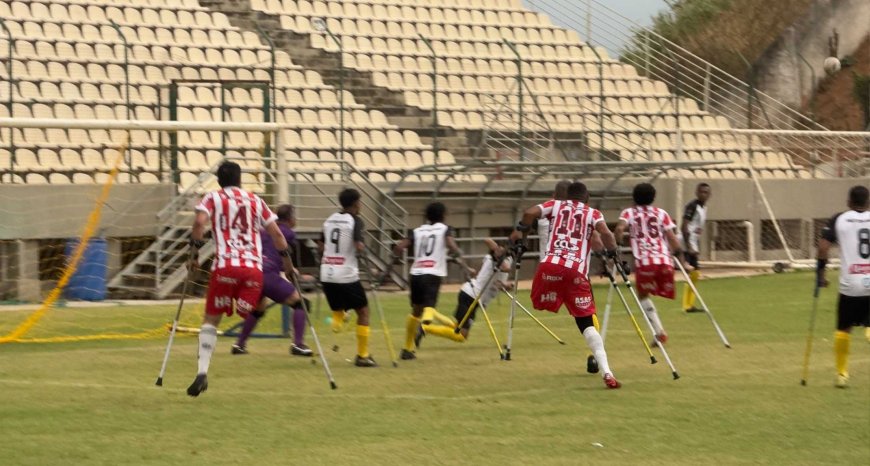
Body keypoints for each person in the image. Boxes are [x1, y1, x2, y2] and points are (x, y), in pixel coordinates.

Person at [186, 161, 291, 397]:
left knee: (211, 320)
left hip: (225, 267)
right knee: (257, 307)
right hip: (253, 270)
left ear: (219, 181)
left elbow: (199, 223)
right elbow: (276, 234)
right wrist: (288, 263)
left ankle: (202, 371)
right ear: (240, 179)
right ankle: (243, 314)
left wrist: (193, 255)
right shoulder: (256, 200)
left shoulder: (214, 198)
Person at [510, 181, 621, 389]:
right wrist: (614, 253)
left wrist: (523, 239)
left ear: (568, 197)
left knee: (541, 303)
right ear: (586, 197)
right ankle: (607, 371)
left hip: (548, 269)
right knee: (586, 322)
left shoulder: (555, 205)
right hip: (575, 273)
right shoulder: (593, 213)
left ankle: (552, 301)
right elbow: (605, 234)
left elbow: (528, 213)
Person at [393, 202, 473, 360]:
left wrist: (395, 258)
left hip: (415, 274)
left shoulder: (417, 230)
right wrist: (464, 264)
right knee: (429, 308)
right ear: (443, 215)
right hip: (432, 273)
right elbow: (451, 245)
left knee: (416, 311)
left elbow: (400, 247)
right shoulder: (445, 229)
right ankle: (424, 326)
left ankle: (407, 349)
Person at [230, 204, 313, 357]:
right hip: (268, 274)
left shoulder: (262, 231)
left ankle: (239, 344)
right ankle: (298, 344)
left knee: (258, 309)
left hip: (253, 272)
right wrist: (291, 269)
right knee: (301, 303)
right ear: (290, 219)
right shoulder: (287, 233)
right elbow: (284, 251)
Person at [614, 183, 692, 345]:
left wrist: (617, 245)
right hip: (664, 262)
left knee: (642, 295)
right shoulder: (661, 213)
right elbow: (672, 238)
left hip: (645, 262)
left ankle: (659, 331)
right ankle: (658, 333)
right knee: (650, 292)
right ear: (653, 198)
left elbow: (620, 229)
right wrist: (683, 262)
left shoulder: (628, 212)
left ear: (634, 197)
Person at [816, 185, 870, 388]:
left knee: (843, 329)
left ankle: (842, 374)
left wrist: (821, 275)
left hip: (850, 285)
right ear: (868, 202)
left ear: (848, 202)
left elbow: (823, 247)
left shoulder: (839, 219)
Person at [318, 188, 377, 367]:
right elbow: (359, 246)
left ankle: (338, 319)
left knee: (340, 306)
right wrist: (367, 260)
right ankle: (363, 355)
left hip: (327, 273)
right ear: (356, 203)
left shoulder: (329, 220)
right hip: (346, 274)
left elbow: (320, 246)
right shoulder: (355, 220)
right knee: (363, 311)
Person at [419, 238, 513, 343]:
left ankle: (431, 313)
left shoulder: (501, 259)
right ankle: (425, 328)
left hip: (472, 296)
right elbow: (488, 241)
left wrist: (506, 285)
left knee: (457, 326)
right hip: (471, 297)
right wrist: (499, 251)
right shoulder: (496, 258)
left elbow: (498, 282)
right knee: (461, 335)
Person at [680, 182, 711, 313]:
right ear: (697, 193)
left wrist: (695, 245)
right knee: (692, 273)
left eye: (706, 192)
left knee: (695, 273)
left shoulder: (704, 208)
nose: (704, 194)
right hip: (686, 243)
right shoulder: (692, 207)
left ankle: (689, 305)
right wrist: (689, 247)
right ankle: (687, 305)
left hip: (693, 243)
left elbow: (696, 229)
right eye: (702, 192)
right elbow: (684, 227)